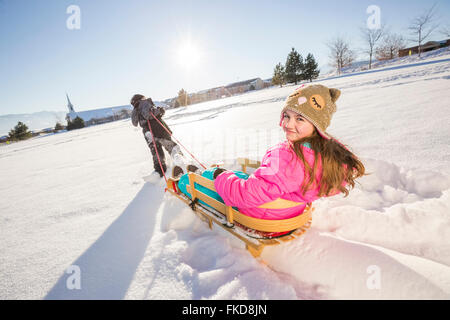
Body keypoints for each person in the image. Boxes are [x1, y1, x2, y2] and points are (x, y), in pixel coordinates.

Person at [177, 84, 365, 225]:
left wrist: (222, 177)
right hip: (290, 210)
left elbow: (245, 194)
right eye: (287, 116)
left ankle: (185, 180)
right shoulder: (323, 153)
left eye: (299, 119)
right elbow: (273, 182)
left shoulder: (288, 157)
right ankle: (212, 175)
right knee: (241, 177)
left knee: (212, 181)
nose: (289, 124)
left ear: (317, 126)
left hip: (262, 215)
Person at [130, 94, 188, 178]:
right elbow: (149, 114)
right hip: (157, 128)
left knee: (156, 151)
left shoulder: (135, 110)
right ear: (141, 98)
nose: (145, 98)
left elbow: (134, 123)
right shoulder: (144, 102)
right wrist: (160, 110)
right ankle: (182, 163)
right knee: (170, 146)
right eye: (144, 97)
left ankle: (160, 170)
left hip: (147, 132)